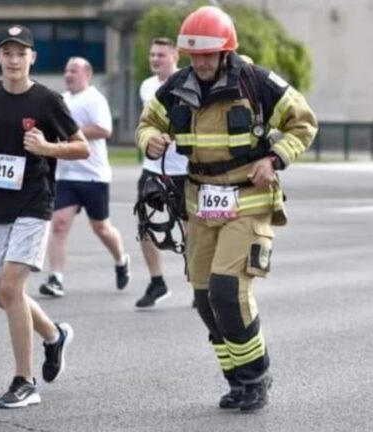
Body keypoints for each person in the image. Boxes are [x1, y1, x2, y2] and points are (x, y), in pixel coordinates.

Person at [135, 6, 317, 411]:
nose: (200, 62)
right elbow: (147, 122)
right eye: (193, 54)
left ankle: (256, 378)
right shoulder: (176, 87)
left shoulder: (257, 81)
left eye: (208, 54)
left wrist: (274, 159)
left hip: (249, 200)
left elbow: (303, 122)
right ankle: (237, 379)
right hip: (200, 202)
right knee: (203, 298)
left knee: (228, 289)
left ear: (225, 52)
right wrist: (149, 140)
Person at [0, 25, 89, 408]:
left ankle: (24, 381)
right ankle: (54, 336)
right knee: (4, 296)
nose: (14, 60)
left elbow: (81, 147)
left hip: (35, 202)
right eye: (8, 53)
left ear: (32, 58)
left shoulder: (47, 100)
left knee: (12, 288)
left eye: (22, 53)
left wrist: (48, 146)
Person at [37, 57, 129, 297]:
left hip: (93, 176)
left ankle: (121, 260)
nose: (68, 75)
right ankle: (56, 278)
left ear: (87, 74)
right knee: (59, 224)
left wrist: (70, 134)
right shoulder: (62, 100)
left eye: (74, 71)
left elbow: (103, 129)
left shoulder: (95, 99)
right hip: (66, 174)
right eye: (66, 70)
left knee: (101, 227)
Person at [134, 37, 187, 308]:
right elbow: (148, 123)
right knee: (145, 224)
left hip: (184, 170)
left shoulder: (187, 84)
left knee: (191, 229)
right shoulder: (147, 86)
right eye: (153, 55)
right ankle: (158, 283)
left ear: (175, 56)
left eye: (161, 55)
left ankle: (199, 284)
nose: (155, 59)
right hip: (153, 168)